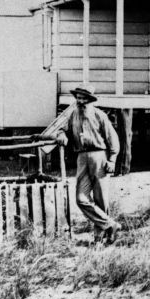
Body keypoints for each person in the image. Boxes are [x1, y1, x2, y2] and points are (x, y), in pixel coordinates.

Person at [48, 84, 122, 244]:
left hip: (99, 156)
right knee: (81, 198)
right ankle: (111, 225)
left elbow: (113, 138)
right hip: (81, 157)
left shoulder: (99, 115)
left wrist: (112, 159)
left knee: (101, 198)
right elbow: (62, 129)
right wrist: (61, 135)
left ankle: (100, 238)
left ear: (90, 100)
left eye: (83, 98)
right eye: (78, 98)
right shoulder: (73, 115)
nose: (80, 101)